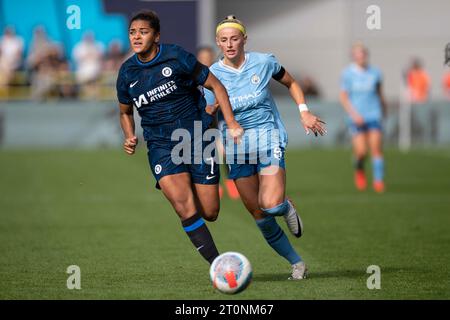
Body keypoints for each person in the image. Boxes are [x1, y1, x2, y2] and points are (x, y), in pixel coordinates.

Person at [116, 11, 243, 266]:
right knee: (184, 207)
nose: (137, 36)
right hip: (160, 145)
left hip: (196, 136)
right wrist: (129, 135)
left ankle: (193, 194)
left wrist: (230, 123)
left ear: (157, 35)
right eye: (132, 32)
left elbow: (217, 86)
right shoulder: (127, 73)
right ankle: (219, 266)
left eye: (143, 32)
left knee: (210, 212)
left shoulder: (177, 57)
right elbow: (125, 111)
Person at [205, 16, 326, 280]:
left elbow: (292, 83)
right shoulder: (212, 76)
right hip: (236, 147)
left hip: (267, 137)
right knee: (259, 214)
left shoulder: (264, 61)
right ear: (218, 42)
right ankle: (297, 263)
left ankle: (285, 206)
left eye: (234, 39)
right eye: (224, 40)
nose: (229, 44)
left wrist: (304, 112)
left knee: (271, 205)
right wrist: (210, 113)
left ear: (244, 40)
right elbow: (208, 113)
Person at [339, 42, 387, 193]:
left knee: (376, 149)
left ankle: (378, 182)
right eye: (358, 55)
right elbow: (344, 97)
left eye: (363, 54)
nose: (361, 57)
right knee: (361, 151)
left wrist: (384, 109)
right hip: (356, 118)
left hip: (374, 114)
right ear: (353, 57)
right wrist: (354, 114)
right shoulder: (347, 74)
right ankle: (359, 170)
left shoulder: (375, 72)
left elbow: (379, 93)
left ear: (366, 55)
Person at [196, 45, 241, 200]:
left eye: (208, 57)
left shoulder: (219, 76)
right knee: (208, 154)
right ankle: (215, 184)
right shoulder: (194, 77)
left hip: (220, 119)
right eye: (202, 57)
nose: (205, 60)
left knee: (225, 152)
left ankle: (231, 182)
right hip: (203, 120)